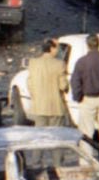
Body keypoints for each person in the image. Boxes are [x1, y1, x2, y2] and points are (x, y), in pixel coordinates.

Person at [27, 38, 69, 166]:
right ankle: (57, 164)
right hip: (56, 107)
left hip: (39, 106)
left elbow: (30, 84)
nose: (58, 50)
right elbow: (63, 86)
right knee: (57, 137)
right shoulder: (59, 64)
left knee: (39, 137)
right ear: (51, 48)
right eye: (56, 47)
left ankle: (36, 163)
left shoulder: (33, 63)